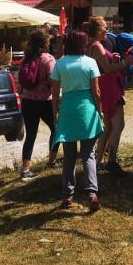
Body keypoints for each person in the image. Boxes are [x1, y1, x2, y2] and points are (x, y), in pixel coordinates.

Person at [50, 30, 106, 212]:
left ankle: (68, 195)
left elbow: (55, 94)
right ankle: (91, 193)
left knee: (69, 156)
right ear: (83, 44)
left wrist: (55, 114)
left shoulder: (60, 64)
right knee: (88, 154)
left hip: (67, 110)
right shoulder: (90, 63)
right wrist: (100, 111)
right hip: (86, 110)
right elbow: (96, 92)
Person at [87, 17, 129, 175]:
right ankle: (111, 161)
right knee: (118, 125)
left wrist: (114, 57)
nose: (107, 31)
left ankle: (97, 163)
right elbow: (107, 68)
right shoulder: (97, 46)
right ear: (98, 30)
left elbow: (105, 65)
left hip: (104, 86)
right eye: (105, 28)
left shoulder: (92, 45)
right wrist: (126, 62)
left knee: (108, 127)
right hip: (109, 87)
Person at [17, 30, 58, 179]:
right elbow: (53, 81)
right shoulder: (48, 59)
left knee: (30, 136)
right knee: (56, 129)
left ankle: (25, 169)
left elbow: (20, 82)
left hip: (28, 101)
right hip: (45, 102)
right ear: (45, 43)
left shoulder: (26, 59)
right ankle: (52, 161)